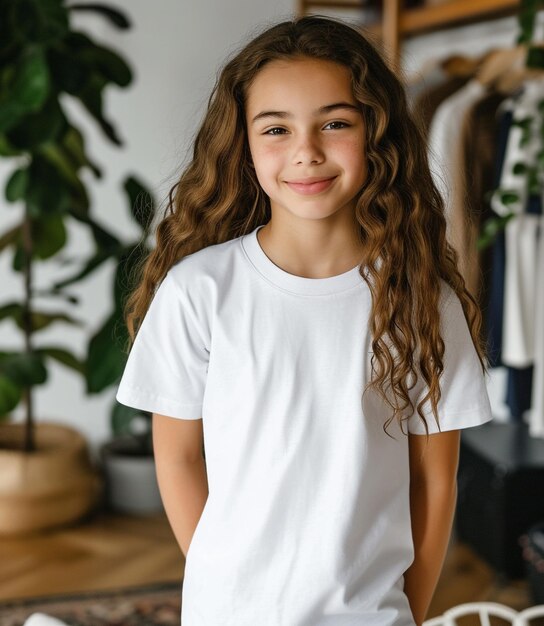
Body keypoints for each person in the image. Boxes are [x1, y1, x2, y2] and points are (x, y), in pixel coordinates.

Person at [116, 15, 492, 626]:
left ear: (377, 134)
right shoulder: (200, 291)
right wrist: (223, 586)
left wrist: (409, 612)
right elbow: (179, 458)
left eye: (335, 123)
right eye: (276, 129)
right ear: (242, 143)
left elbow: (434, 482)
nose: (307, 152)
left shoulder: (424, 299)